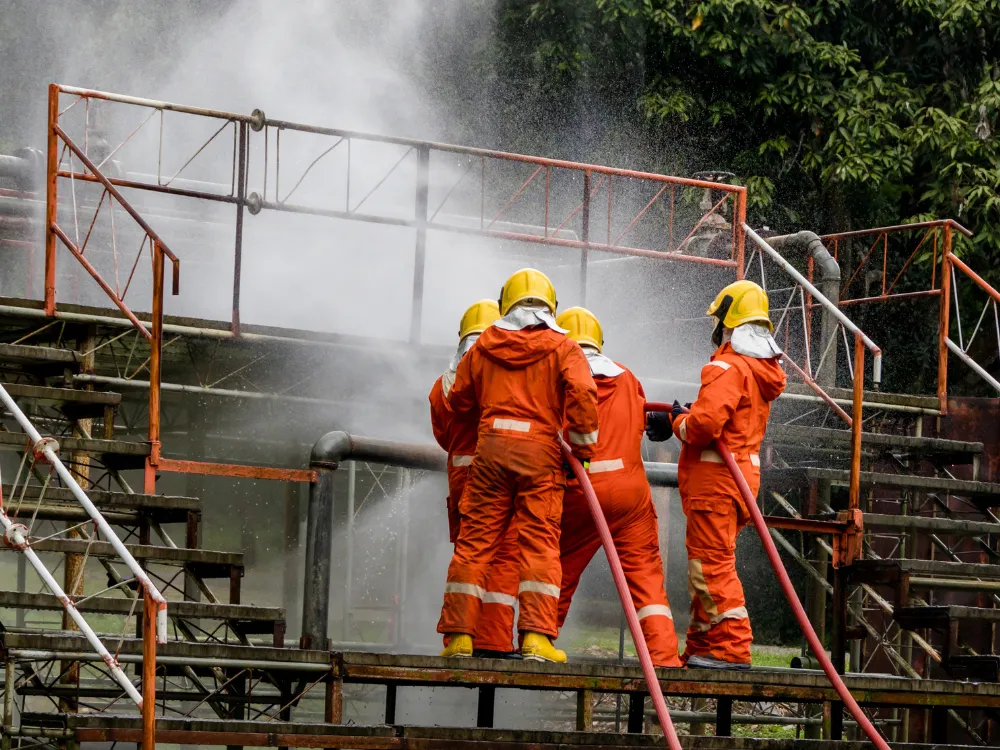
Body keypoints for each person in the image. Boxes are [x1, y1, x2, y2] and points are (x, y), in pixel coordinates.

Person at [437, 268, 598, 662]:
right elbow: (583, 393)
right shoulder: (565, 347)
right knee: (540, 545)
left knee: (474, 545)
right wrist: (582, 450)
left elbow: (458, 400)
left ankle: (459, 638)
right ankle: (536, 639)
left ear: (505, 304)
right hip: (540, 456)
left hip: (490, 452)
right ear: (551, 307)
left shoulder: (484, 345)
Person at [647, 279, 785, 670]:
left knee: (711, 566)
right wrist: (680, 417)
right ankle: (703, 646)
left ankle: (731, 649)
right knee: (704, 567)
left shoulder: (728, 365)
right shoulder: (757, 370)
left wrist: (677, 422)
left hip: (716, 484)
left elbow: (704, 427)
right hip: (735, 481)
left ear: (728, 322)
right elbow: (726, 419)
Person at [554, 307, 682, 667]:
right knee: (646, 577)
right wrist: (662, 420)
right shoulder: (626, 377)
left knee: (556, 571)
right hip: (630, 497)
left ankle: (536, 644)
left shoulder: (559, 378)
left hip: (579, 492)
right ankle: (664, 659)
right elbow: (638, 418)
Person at [428, 299, 520, 657]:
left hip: (461, 480)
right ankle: (492, 641)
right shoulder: (500, 375)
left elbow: (442, 435)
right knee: (504, 557)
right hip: (497, 476)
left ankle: (458, 640)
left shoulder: (442, 385)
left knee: (468, 556)